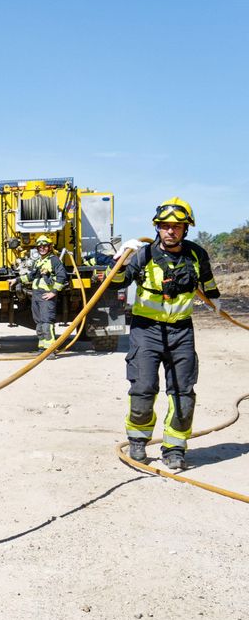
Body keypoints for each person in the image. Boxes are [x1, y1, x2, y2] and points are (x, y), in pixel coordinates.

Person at [113, 198, 220, 470]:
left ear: (186, 229)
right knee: (143, 387)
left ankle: (175, 447)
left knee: (183, 392)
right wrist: (120, 259)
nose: (171, 231)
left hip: (181, 331)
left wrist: (215, 300)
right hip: (146, 330)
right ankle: (138, 440)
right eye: (165, 226)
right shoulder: (142, 254)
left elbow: (208, 282)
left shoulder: (196, 255)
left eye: (177, 226)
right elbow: (116, 281)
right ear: (157, 227)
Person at [20, 235, 68, 351]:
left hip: (46, 295)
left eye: (45, 246)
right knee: (39, 323)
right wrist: (16, 280)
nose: (42, 248)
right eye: (40, 246)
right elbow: (31, 276)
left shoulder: (54, 260)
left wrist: (54, 292)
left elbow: (62, 277)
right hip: (36, 294)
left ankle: (50, 350)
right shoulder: (39, 261)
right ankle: (42, 348)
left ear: (49, 247)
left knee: (46, 323)